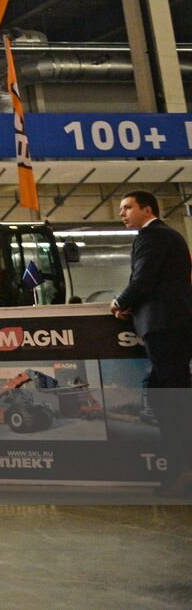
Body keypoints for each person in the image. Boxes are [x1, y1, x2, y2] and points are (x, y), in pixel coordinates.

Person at [110, 191, 192, 497]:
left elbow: (144, 278)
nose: (122, 213)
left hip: (164, 326)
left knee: (173, 399)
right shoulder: (169, 236)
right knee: (162, 393)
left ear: (147, 210)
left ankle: (184, 471)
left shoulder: (151, 236)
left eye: (128, 207)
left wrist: (120, 302)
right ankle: (181, 469)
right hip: (173, 324)